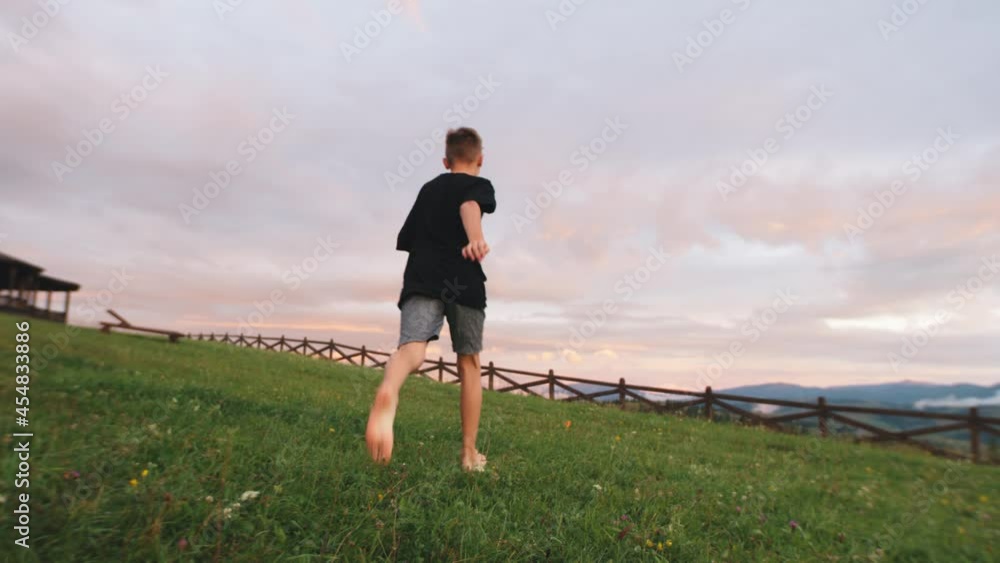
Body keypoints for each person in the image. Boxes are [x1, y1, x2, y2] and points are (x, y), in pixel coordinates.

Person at [365, 127, 497, 471]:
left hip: (422, 278)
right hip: (464, 278)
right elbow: (469, 205)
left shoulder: (428, 189)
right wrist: (475, 237)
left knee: (412, 349)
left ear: (445, 161)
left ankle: (389, 391)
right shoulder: (478, 186)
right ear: (480, 160)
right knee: (469, 363)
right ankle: (469, 454)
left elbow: (409, 237)